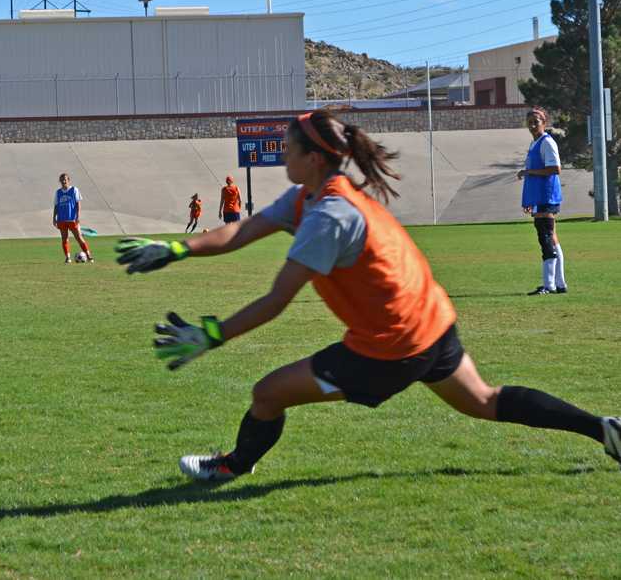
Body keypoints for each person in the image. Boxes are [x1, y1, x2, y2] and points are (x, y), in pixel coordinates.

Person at [114, 109, 619, 482]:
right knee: (483, 400)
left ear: (312, 158)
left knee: (267, 394)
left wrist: (211, 334)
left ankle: (230, 467)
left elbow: (277, 300)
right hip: (432, 319)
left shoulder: (327, 217)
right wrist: (176, 248)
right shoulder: (311, 195)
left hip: (391, 344)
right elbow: (242, 232)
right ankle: (605, 430)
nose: (282, 154)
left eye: (288, 148)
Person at [517, 106, 566, 295]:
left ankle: (549, 285)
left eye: (536, 121)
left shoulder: (547, 142)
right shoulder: (535, 143)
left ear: (544, 123)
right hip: (540, 197)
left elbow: (555, 169)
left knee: (545, 236)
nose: (532, 124)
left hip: (547, 195)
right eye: (529, 121)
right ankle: (560, 284)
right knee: (551, 238)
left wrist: (529, 172)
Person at [53, 172, 93, 263]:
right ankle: (68, 257)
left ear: (68, 180)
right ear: (60, 181)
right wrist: (54, 218)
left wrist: (78, 216)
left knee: (79, 237)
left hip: (72, 219)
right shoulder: (58, 192)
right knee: (64, 238)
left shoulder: (74, 190)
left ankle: (89, 255)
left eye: (65, 179)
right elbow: (56, 206)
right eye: (62, 179)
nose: (64, 181)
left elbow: (78, 203)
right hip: (61, 219)